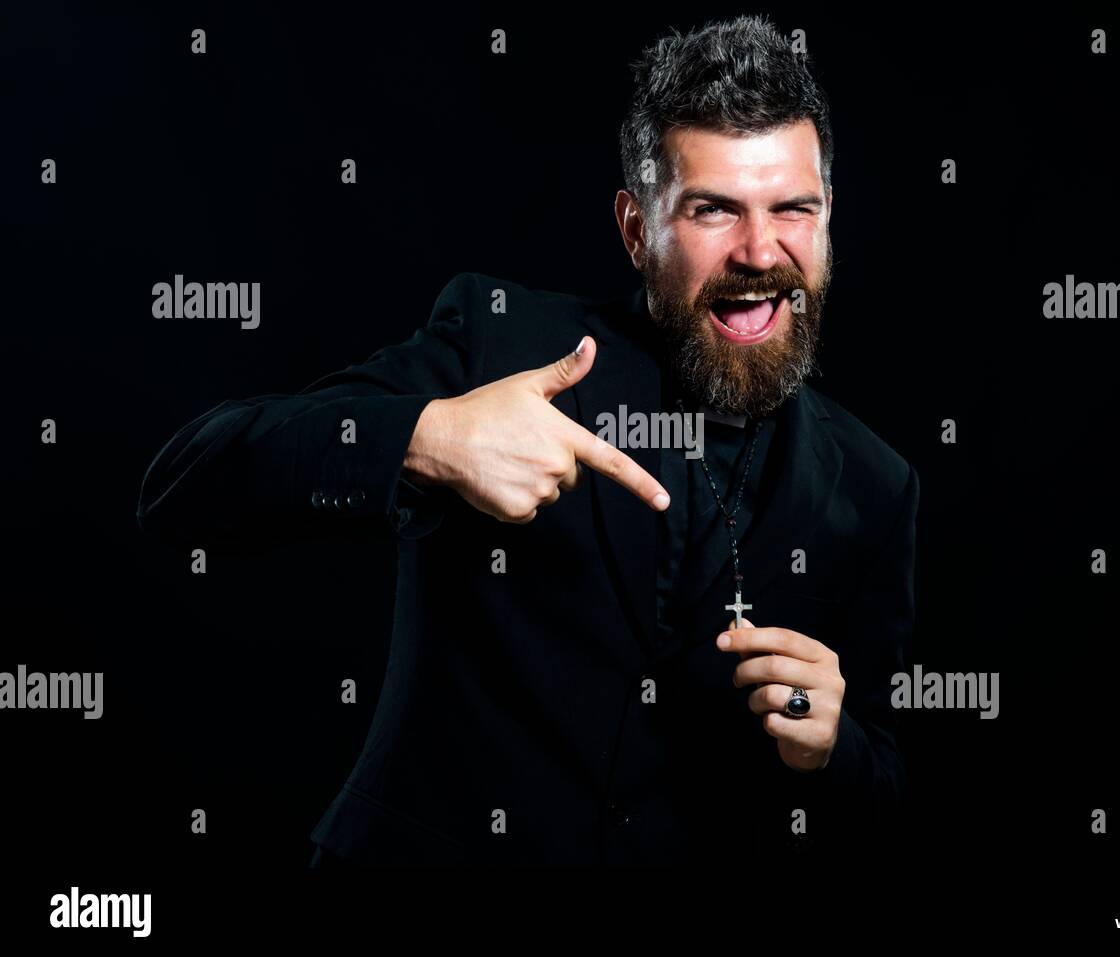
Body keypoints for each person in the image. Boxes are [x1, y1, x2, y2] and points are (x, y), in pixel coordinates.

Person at [137, 13, 918, 867]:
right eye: (714, 210)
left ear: (829, 216)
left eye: (792, 209)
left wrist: (832, 748)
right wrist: (428, 436)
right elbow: (189, 483)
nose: (760, 250)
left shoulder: (877, 486)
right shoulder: (497, 342)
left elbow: (883, 804)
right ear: (635, 229)